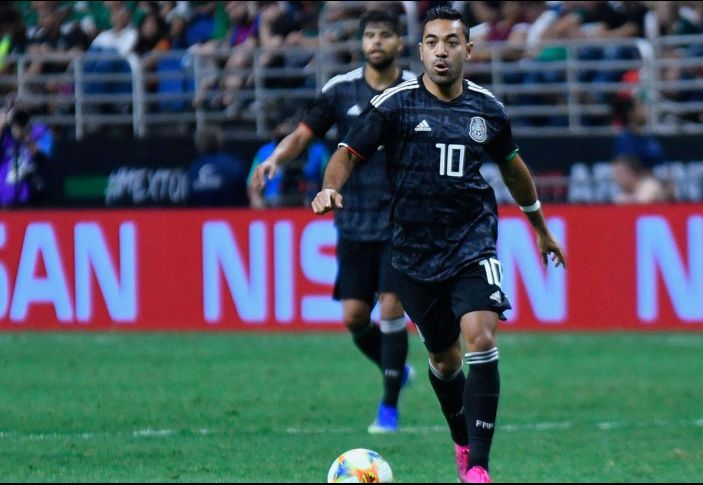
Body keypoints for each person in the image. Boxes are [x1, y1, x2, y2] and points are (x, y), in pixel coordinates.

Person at [311, 6, 566, 483]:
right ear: (421, 49)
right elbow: (347, 152)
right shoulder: (394, 104)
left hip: (472, 242)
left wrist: (540, 227)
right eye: (432, 42)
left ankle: (480, 469)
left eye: (451, 42)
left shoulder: (487, 110)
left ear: (467, 49)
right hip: (412, 254)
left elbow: (514, 170)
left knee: (481, 337)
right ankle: (463, 442)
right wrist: (331, 187)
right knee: (445, 363)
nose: (441, 51)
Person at [249, 8, 416, 434]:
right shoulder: (340, 91)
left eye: (385, 36)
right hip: (354, 218)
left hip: (403, 218)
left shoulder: (416, 91)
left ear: (399, 43)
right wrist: (274, 159)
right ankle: (395, 366)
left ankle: (389, 408)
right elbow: (304, 134)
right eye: (369, 36)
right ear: (361, 43)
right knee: (355, 317)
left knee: (393, 305)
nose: (376, 43)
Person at [0, 107, 52, 207]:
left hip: (30, 196)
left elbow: (43, 152)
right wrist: (2, 125)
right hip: (4, 196)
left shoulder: (39, 132)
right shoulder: (5, 136)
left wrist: (24, 137)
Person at [187, 126, 248, 207]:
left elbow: (189, 200)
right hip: (230, 215)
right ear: (221, 141)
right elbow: (244, 196)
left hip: (201, 217)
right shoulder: (233, 165)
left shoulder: (194, 168)